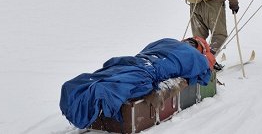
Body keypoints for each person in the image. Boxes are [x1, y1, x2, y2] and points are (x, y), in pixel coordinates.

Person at [60, 37, 214, 129]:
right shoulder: (194, 55)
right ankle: (99, 96)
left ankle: (87, 93)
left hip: (133, 62)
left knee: (107, 75)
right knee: (120, 85)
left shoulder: (166, 41)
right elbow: (205, 72)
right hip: (148, 71)